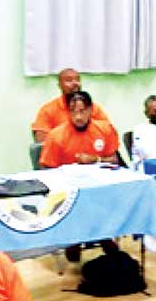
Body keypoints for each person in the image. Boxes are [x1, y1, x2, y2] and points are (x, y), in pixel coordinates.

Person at [39, 91, 121, 261]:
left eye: (82, 111)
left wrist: (95, 159)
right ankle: (79, 239)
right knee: (81, 202)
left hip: (98, 187)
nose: (78, 116)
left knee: (106, 198)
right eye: (73, 111)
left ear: (91, 110)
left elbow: (114, 160)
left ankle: (100, 236)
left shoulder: (105, 129)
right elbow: (47, 170)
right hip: (68, 191)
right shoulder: (56, 136)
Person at [31, 67, 111, 143]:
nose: (75, 83)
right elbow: (41, 143)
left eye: (78, 80)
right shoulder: (48, 110)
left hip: (90, 153)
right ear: (59, 85)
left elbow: (108, 133)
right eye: (69, 80)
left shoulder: (93, 108)